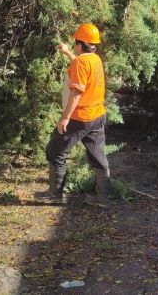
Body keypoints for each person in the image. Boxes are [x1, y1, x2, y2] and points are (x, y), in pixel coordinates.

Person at [35, 23, 110, 208]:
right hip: (98, 115)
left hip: (80, 118)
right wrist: (68, 53)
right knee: (98, 157)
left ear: (80, 43)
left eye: (74, 42)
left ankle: (55, 195)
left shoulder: (80, 62)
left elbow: (77, 93)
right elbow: (81, 67)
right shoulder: (95, 59)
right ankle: (103, 199)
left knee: (55, 152)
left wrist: (65, 117)